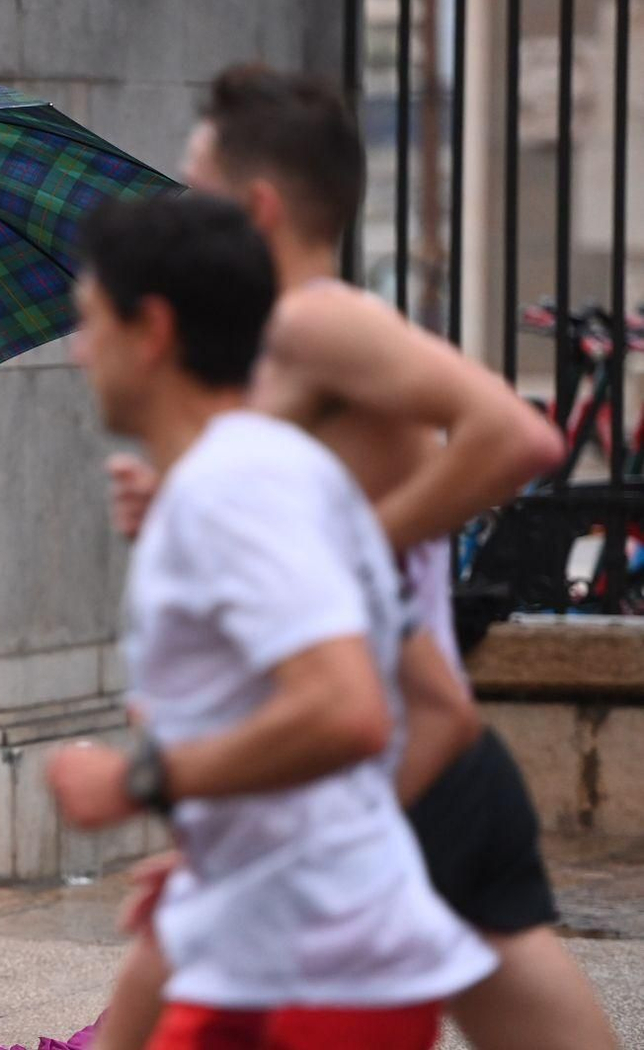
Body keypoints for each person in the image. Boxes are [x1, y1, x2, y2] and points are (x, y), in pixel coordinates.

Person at [94, 65, 615, 1050]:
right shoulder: (270, 342)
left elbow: (515, 436)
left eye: (192, 185)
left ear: (255, 205)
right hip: (398, 742)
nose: (178, 211)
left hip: (394, 748)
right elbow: (305, 490)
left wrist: (354, 556)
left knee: (162, 972)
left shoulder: (312, 317)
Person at [50, 192, 496, 1049]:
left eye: (91, 322)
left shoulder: (233, 492)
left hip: (312, 974)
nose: (79, 352)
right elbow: (436, 709)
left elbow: (348, 711)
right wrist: (239, 844)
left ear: (152, 331)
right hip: (290, 944)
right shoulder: (284, 470)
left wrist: (140, 782)